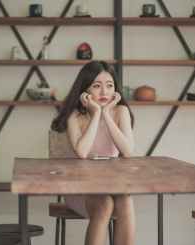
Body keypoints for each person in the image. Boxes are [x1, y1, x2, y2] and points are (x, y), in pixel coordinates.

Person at [51, 61, 135, 245]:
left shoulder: (121, 112)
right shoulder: (75, 115)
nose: (104, 92)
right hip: (80, 188)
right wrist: (96, 114)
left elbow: (128, 152)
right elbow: (82, 152)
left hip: (112, 184)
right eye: (97, 86)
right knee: (104, 204)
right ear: (85, 90)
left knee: (126, 199)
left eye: (109, 86)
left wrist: (106, 114)